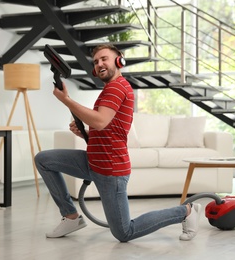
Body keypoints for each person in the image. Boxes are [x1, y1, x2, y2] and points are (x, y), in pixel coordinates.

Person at [34, 44, 202, 242]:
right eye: (96, 62)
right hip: (93, 162)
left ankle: (186, 211)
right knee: (44, 160)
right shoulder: (110, 89)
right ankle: (71, 217)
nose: (99, 64)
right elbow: (107, 127)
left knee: (124, 232)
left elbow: (100, 120)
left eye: (104, 58)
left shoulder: (116, 87)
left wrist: (67, 100)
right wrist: (85, 133)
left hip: (110, 170)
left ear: (119, 60)